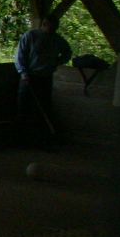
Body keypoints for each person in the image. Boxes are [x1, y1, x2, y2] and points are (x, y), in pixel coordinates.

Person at [15, 15, 73, 146]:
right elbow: (20, 55)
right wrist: (24, 73)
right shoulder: (31, 36)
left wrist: (57, 61)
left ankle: (40, 139)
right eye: (51, 28)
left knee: (43, 108)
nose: (53, 30)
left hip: (45, 77)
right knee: (23, 107)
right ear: (45, 25)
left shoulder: (57, 39)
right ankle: (21, 138)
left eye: (55, 28)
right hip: (29, 77)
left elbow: (67, 52)